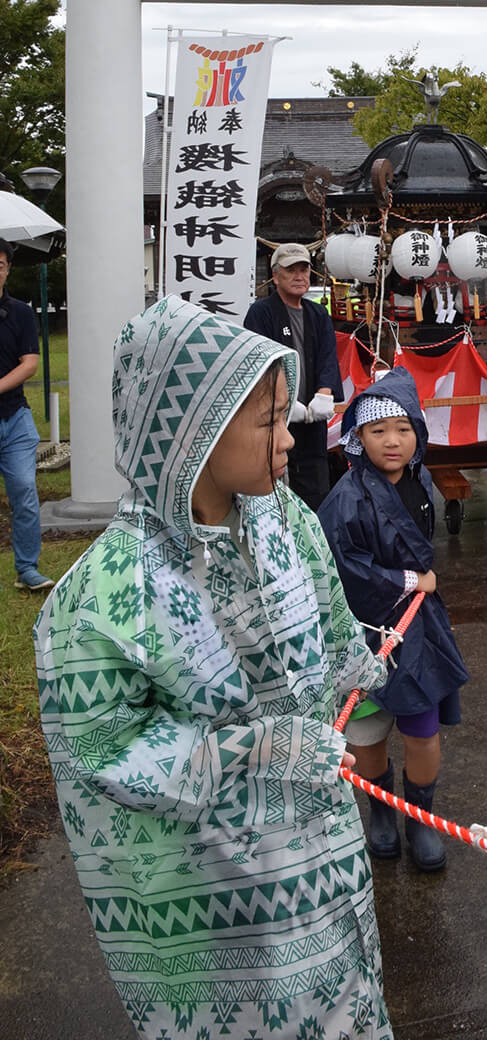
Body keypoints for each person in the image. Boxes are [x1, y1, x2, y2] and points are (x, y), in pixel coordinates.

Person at [33, 295, 393, 1040]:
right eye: (267, 421)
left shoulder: (288, 520)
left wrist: (349, 688)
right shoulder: (108, 592)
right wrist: (247, 750)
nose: (290, 435)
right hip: (217, 899)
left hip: (323, 859)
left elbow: (328, 630)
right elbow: (100, 750)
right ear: (188, 429)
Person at [318, 367, 469, 873]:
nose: (392, 441)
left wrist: (417, 587)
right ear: (357, 437)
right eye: (378, 430)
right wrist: (410, 582)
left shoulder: (422, 480)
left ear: (418, 434)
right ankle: (382, 812)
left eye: (404, 429)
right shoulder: (344, 500)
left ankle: (420, 817)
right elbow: (344, 569)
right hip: (363, 634)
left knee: (423, 727)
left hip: (417, 630)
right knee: (368, 734)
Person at [245, 242, 342, 510]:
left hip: (313, 418)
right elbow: (260, 362)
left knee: (316, 491)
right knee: (275, 488)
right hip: (275, 418)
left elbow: (328, 357)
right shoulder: (261, 313)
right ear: (275, 276)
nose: (299, 276)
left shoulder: (318, 314)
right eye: (291, 271)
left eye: (304, 269)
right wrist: (285, 402)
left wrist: (325, 392)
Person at [0, 237, 51, 591]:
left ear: (7, 269)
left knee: (24, 491)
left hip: (14, 418)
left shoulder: (19, 312)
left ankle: (27, 569)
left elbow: (30, 363)